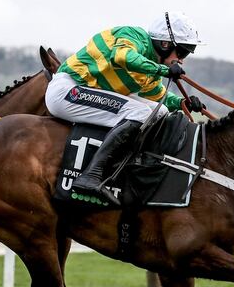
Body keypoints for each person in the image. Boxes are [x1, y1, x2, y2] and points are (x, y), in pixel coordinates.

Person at [45, 11, 205, 205]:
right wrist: (163, 70)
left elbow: (158, 96)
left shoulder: (150, 71)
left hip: (85, 93)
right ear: (165, 44)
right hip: (67, 91)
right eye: (182, 53)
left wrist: (182, 103)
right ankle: (91, 175)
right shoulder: (133, 35)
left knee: (160, 111)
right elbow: (122, 56)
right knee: (140, 112)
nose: (182, 60)